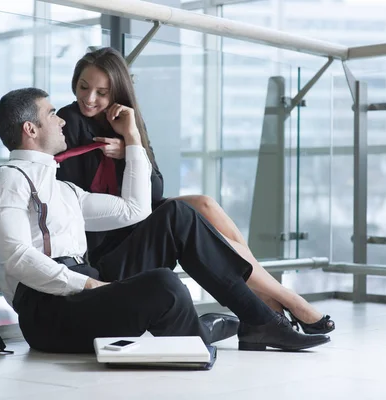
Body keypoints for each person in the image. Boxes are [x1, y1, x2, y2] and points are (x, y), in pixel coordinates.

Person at [0, 87, 330, 354]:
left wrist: (132, 141)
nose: (62, 119)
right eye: (52, 113)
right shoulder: (6, 180)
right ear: (31, 129)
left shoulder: (64, 189)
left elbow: (136, 210)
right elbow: (18, 260)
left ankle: (257, 320)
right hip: (50, 310)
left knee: (177, 216)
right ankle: (198, 335)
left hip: (89, 286)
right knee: (164, 287)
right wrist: (89, 286)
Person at [56, 47, 334, 335]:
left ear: (117, 92)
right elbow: (81, 203)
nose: (89, 99)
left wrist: (131, 144)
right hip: (108, 247)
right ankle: (284, 299)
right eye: (83, 87)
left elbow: (155, 189)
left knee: (204, 204)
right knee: (183, 214)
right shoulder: (69, 121)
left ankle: (267, 297)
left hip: (134, 224)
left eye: (101, 92)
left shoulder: (127, 121)